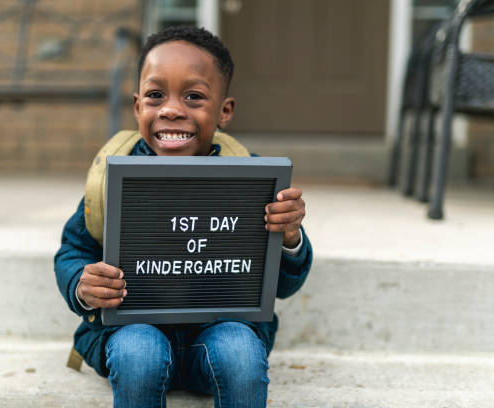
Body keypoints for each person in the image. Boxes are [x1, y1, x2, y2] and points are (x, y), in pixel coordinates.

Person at [54, 26, 312, 408]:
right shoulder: (112, 178)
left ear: (225, 111)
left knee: (241, 356)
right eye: (156, 96)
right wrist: (82, 284)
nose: (172, 110)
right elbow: (73, 250)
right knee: (138, 355)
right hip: (132, 331)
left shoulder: (253, 180)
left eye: (193, 96)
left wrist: (289, 237)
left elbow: (283, 286)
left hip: (220, 331)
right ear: (138, 106)